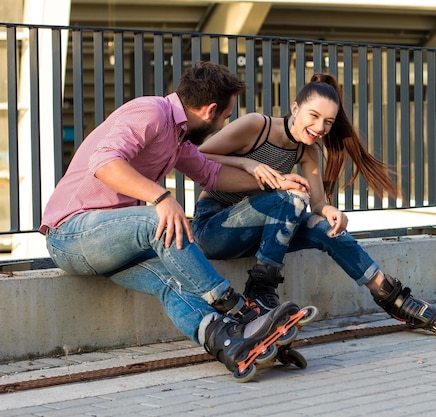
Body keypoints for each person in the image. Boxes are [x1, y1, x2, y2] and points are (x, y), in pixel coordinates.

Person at [39, 61, 311, 374]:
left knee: (169, 281)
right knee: (158, 220)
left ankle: (229, 341)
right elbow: (104, 162)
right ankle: (238, 309)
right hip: (70, 234)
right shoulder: (150, 112)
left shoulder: (178, 137)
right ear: (210, 110)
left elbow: (212, 174)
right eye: (224, 116)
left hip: (113, 244)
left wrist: (276, 180)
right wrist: (161, 198)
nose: (223, 124)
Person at [192, 73, 436, 334]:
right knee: (291, 197)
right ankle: (260, 291)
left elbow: (316, 203)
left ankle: (388, 294)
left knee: (326, 227)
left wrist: (328, 210)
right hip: (214, 227)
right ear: (295, 108)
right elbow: (195, 156)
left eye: (328, 122)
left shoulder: (308, 150)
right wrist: (250, 164)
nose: (320, 127)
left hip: (259, 234)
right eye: (313, 116)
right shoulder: (258, 126)